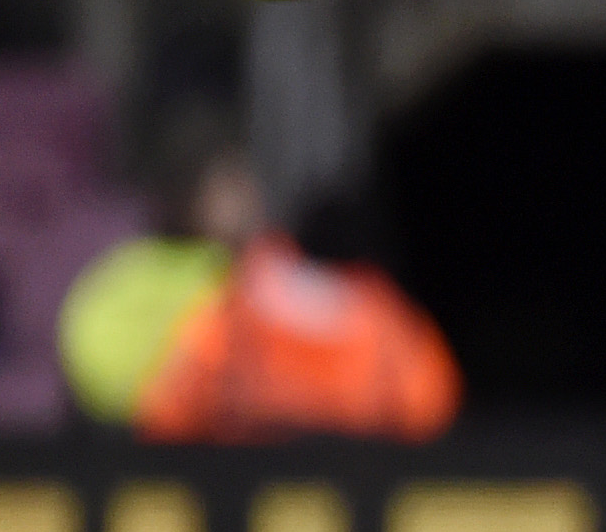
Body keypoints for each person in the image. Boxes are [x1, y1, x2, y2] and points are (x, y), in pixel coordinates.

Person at [68, 145, 460, 441]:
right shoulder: (202, 289)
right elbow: (161, 407)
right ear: (191, 198)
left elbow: (429, 401)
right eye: (231, 189)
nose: (249, 201)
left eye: (246, 187)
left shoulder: (359, 304)